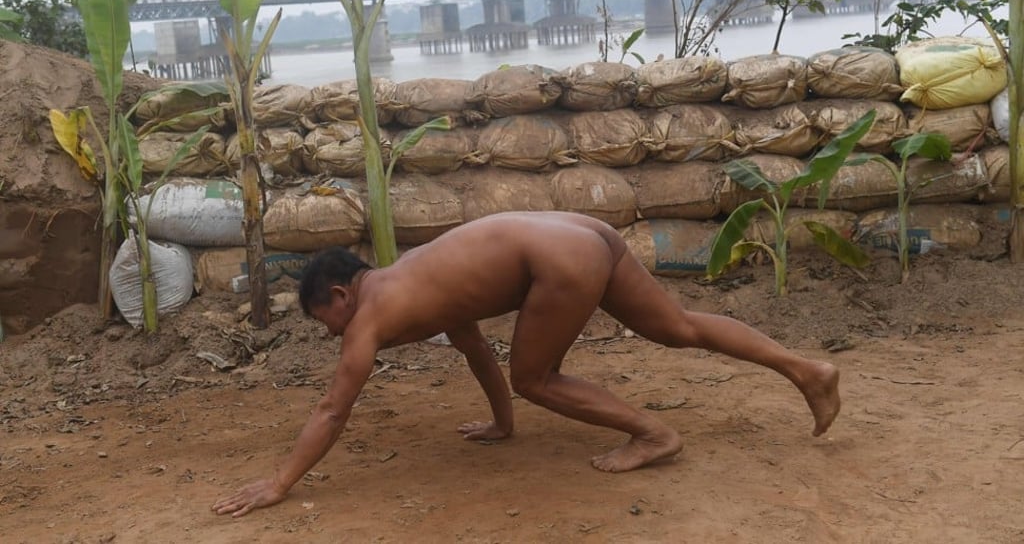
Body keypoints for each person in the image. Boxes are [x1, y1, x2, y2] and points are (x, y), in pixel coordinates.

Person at [212, 211, 840, 517]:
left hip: (556, 258)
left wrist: (281, 483)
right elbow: (475, 347)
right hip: (580, 233)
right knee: (676, 328)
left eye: (329, 323)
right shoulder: (413, 285)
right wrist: (502, 424)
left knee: (536, 376)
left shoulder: (371, 318)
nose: (336, 338)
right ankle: (810, 371)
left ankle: (654, 433)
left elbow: (332, 408)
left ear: (341, 296)